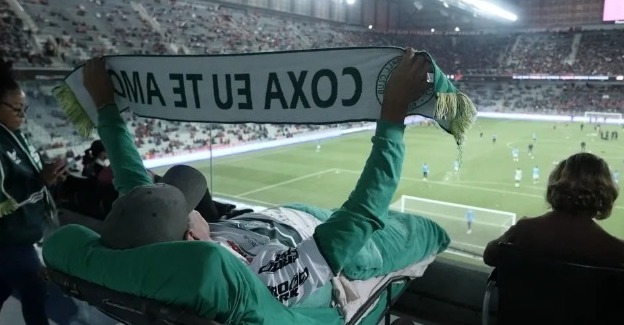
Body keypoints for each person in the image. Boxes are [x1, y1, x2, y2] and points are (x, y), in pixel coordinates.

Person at [81, 49, 435, 306]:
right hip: (321, 232)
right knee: (424, 230)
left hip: (280, 219)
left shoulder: (152, 244)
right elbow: (361, 216)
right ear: (190, 235)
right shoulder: (263, 283)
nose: (196, 206)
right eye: (190, 207)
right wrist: (393, 113)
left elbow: (131, 181)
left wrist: (105, 106)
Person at [0, 59, 67, 324]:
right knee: (35, 289)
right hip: (9, 241)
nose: (23, 114)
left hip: (19, 238)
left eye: (24, 108)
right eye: (17, 109)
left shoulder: (16, 137)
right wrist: (40, 180)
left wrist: (51, 177)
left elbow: (33, 180)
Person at [484, 153, 624, 267]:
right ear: (604, 194)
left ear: (557, 185)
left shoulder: (524, 230)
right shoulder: (616, 250)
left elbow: (489, 256)